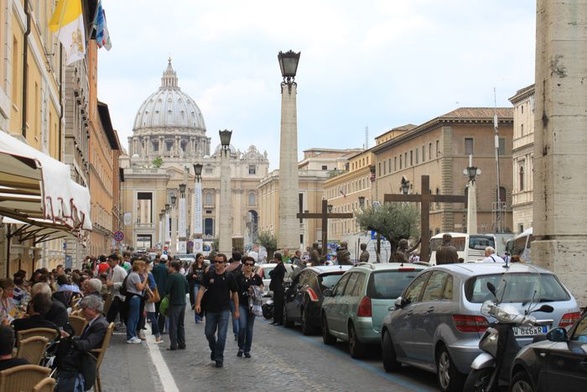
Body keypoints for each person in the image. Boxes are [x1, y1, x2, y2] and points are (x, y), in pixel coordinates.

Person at [54, 295, 108, 392]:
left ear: (93, 309)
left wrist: (70, 340)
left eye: (84, 309)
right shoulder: (97, 322)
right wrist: (71, 337)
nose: (82, 312)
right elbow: (84, 339)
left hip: (85, 361)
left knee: (58, 354)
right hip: (84, 357)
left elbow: (86, 345)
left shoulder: (99, 325)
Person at [195, 253, 239, 368]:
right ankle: (214, 350)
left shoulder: (229, 276)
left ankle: (219, 357)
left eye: (220, 262)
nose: (217, 264)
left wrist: (236, 309)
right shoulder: (209, 275)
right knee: (209, 333)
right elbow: (202, 289)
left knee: (222, 335)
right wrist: (198, 303)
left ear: (225, 263)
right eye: (216, 262)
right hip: (210, 309)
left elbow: (234, 293)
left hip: (224, 309)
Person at [235, 256, 263, 358]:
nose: (248, 266)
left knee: (249, 328)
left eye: (251, 264)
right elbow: (235, 292)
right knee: (242, 326)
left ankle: (247, 350)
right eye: (247, 264)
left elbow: (261, 289)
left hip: (253, 306)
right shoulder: (239, 277)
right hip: (242, 304)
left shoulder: (256, 277)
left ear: (253, 266)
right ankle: (240, 347)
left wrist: (255, 290)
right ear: (243, 264)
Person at [164, 261, 189, 351]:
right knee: (180, 324)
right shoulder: (182, 276)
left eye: (169, 266)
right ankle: (182, 343)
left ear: (173, 267)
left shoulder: (172, 277)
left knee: (173, 325)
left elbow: (166, 289)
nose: (168, 268)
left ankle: (173, 345)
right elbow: (187, 289)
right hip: (183, 302)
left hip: (174, 303)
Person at [124, 260, 149, 344]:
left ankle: (133, 335)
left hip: (133, 297)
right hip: (134, 297)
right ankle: (131, 336)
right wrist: (145, 279)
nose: (144, 269)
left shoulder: (132, 274)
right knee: (133, 317)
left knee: (135, 317)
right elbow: (140, 288)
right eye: (143, 267)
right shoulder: (135, 276)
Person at [106, 253, 127, 327]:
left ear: (116, 261)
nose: (109, 263)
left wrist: (113, 284)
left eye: (110, 261)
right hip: (113, 294)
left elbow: (125, 283)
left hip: (119, 295)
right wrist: (108, 282)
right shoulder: (110, 270)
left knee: (112, 313)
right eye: (108, 261)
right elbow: (109, 278)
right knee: (116, 313)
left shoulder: (121, 270)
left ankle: (109, 325)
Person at [225, 251, 242, 341]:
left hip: (231, 294)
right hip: (241, 294)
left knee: (234, 313)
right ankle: (241, 331)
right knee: (240, 312)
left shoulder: (227, 268)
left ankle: (237, 333)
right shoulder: (243, 268)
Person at [145, 262, 162, 344]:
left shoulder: (148, 274)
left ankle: (157, 335)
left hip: (148, 297)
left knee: (152, 316)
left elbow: (153, 285)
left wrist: (145, 287)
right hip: (144, 297)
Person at [187, 253, 207, 324]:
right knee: (197, 301)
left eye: (202, 258)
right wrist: (193, 275)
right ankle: (197, 317)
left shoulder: (205, 266)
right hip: (195, 284)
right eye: (200, 258)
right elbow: (188, 274)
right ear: (197, 258)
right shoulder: (193, 265)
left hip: (203, 285)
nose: (202, 259)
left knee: (203, 301)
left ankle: (201, 315)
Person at [152, 254, 169, 334]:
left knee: (154, 311)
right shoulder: (167, 269)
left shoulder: (155, 268)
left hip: (155, 291)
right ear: (166, 261)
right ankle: (160, 329)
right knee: (162, 311)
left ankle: (154, 329)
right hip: (163, 292)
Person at [269, 252, 286, 326]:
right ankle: (276, 319)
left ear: (277, 258)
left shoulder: (280, 266)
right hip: (277, 288)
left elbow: (272, 273)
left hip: (279, 289)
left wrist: (272, 273)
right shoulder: (279, 266)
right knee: (276, 305)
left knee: (278, 305)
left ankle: (278, 320)